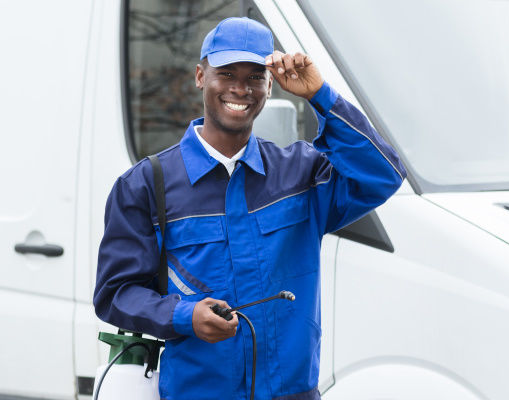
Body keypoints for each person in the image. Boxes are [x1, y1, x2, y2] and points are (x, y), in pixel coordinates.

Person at [94, 17, 405, 400]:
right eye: (226, 73)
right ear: (199, 76)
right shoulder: (144, 186)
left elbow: (384, 174)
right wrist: (184, 316)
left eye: (256, 76)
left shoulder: (302, 174)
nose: (241, 89)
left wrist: (320, 95)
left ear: (270, 85)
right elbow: (116, 293)